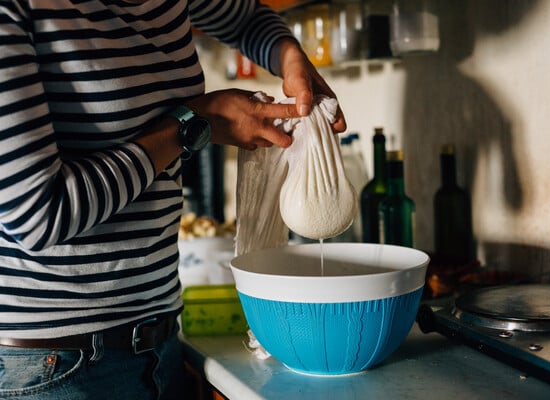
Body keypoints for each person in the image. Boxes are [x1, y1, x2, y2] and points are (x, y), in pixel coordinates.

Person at [0, 0, 346, 399]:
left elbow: (247, 19)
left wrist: (291, 59)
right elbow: (39, 215)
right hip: (54, 367)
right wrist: (194, 122)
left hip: (160, 343)